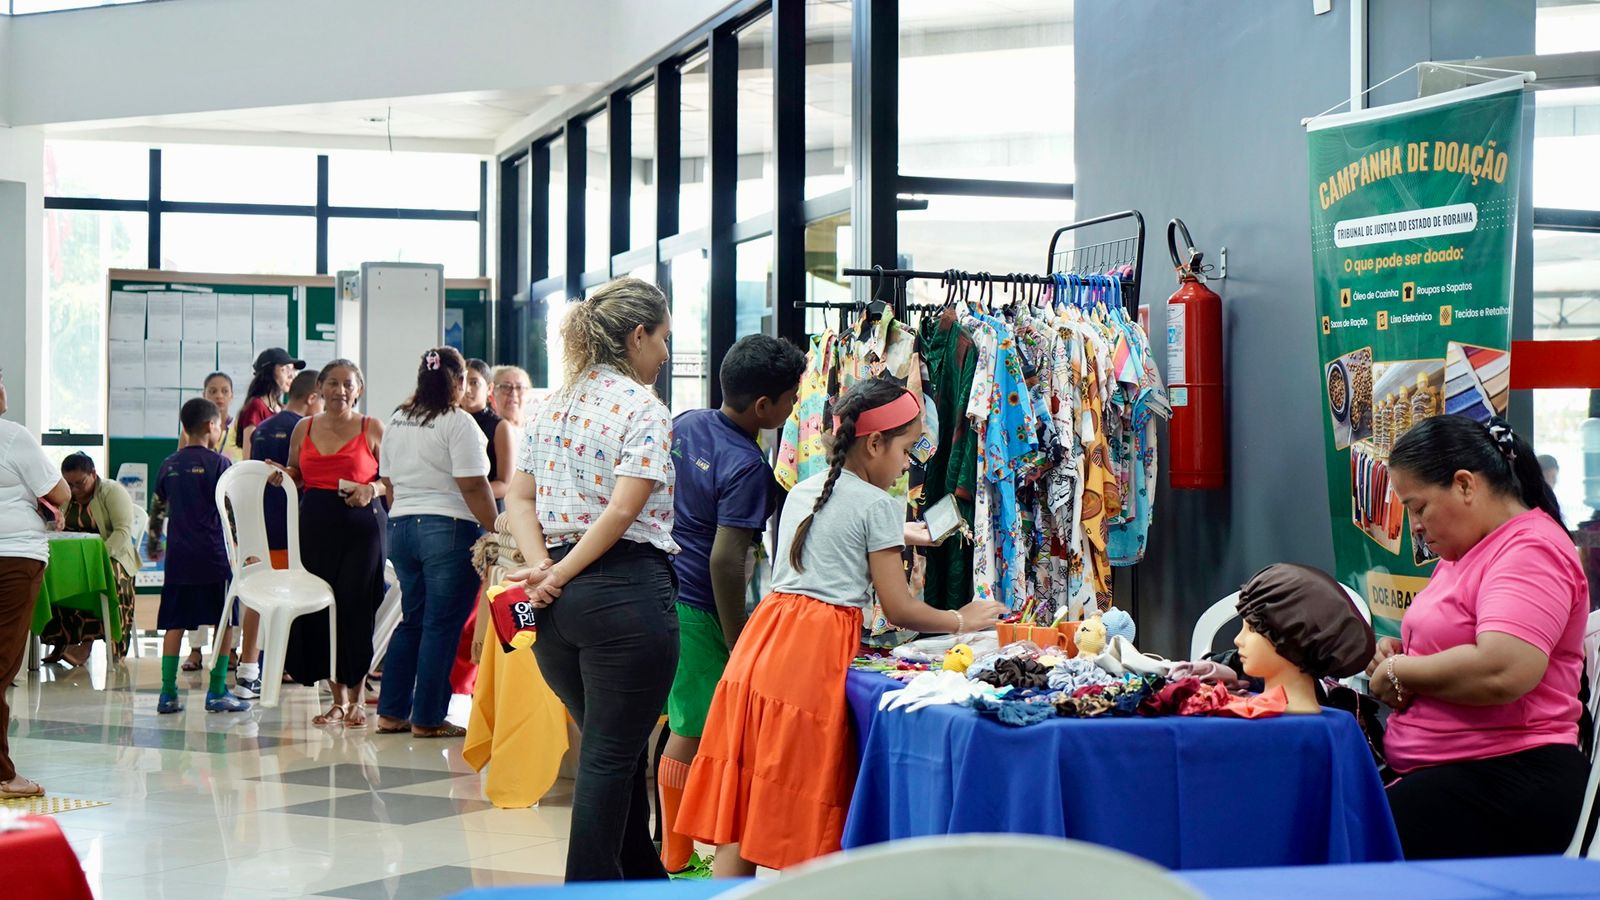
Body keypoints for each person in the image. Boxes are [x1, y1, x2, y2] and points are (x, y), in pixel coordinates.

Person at [676, 377, 1006, 876]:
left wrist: (896, 532)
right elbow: (900, 610)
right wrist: (963, 619)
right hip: (811, 657)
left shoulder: (805, 488)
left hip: (762, 645)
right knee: (802, 809)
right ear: (874, 443)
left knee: (744, 803)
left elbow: (834, 538)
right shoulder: (877, 505)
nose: (909, 463)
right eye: (907, 448)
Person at [502, 276, 679, 882]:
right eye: (662, 340)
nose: (663, 354)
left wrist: (543, 571)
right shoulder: (643, 409)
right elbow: (623, 512)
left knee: (618, 753)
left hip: (558, 613)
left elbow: (518, 500)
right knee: (610, 757)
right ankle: (586, 888)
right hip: (627, 601)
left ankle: (642, 879)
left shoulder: (553, 405)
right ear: (637, 336)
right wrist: (557, 572)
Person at [1371, 415, 1590, 859]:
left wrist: (1401, 670)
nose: (1415, 526)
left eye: (1418, 507)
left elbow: (1504, 668)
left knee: (1350, 833)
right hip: (1451, 771)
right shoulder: (1468, 550)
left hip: (1510, 775)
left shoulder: (1530, 550)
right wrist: (1403, 656)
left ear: (1466, 485)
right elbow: (1457, 643)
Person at [656, 334, 806, 873]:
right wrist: (737, 636)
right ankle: (676, 858)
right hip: (700, 605)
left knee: (679, 721)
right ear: (764, 407)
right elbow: (726, 562)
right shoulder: (746, 465)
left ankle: (671, 847)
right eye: (791, 398)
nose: (796, 407)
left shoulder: (688, 421)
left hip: (662, 588)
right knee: (690, 729)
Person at [376, 347, 498, 738]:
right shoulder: (458, 423)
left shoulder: (398, 419)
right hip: (447, 530)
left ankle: (391, 712)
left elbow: (389, 482)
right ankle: (428, 718)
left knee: (412, 621)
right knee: (441, 627)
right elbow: (474, 485)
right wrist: (497, 528)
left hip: (401, 529)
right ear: (459, 382)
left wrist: (408, 517)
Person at [283, 360, 387, 727]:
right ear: (319, 388)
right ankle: (337, 700)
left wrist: (370, 488)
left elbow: (391, 481)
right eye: (332, 383)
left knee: (355, 609)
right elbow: (296, 473)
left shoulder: (371, 427)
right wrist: (281, 475)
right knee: (320, 610)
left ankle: (359, 699)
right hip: (314, 526)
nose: (339, 390)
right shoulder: (303, 427)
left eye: (347, 384)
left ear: (358, 389)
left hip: (361, 527)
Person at [148, 398, 251, 715]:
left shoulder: (168, 464)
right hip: (214, 559)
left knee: (175, 624)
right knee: (224, 624)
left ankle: (168, 694)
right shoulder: (221, 465)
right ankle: (218, 691)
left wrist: (154, 544)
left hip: (178, 559)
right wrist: (242, 551)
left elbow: (157, 511)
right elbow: (231, 515)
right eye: (220, 425)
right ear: (211, 427)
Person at [0, 365, 70, 799]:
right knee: (1, 665)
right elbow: (60, 491)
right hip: (13, 557)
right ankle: (3, 775)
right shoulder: (11, 435)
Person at [233, 370, 323, 699]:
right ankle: (291, 663)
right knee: (298, 597)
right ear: (313, 397)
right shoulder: (309, 430)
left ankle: (247, 670)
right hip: (293, 532)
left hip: (258, 530)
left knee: (255, 599)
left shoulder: (264, 427)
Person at [40, 453, 141, 665]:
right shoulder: (66, 496)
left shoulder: (112, 492)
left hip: (112, 556)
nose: (74, 489)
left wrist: (98, 557)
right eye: (69, 484)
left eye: (80, 483)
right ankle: (62, 641)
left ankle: (90, 646)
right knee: (52, 574)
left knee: (108, 576)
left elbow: (123, 532)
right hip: (76, 559)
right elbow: (53, 524)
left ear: (93, 474)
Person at [180, 371, 244, 672]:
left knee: (232, 586)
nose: (218, 395)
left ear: (232, 395)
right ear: (204, 395)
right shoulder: (189, 431)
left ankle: (230, 650)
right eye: (212, 390)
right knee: (196, 585)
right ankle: (195, 649)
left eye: (224, 390)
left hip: (233, 517)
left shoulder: (241, 428)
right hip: (196, 520)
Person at [238, 347, 306, 458]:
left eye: (292, 370)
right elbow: (248, 455)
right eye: (285, 369)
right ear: (270, 371)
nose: (291, 375)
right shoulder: (256, 406)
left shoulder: (282, 408)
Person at [463, 358, 515, 503]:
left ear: (489, 388)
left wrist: (464, 495)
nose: (467, 389)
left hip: (487, 510)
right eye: (462, 380)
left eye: (474, 383)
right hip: (454, 510)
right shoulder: (450, 420)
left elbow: (506, 484)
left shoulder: (500, 426)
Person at [490, 365, 534, 437]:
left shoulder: (536, 429)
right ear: (493, 393)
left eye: (519, 387)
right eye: (506, 387)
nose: (513, 393)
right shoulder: (486, 431)